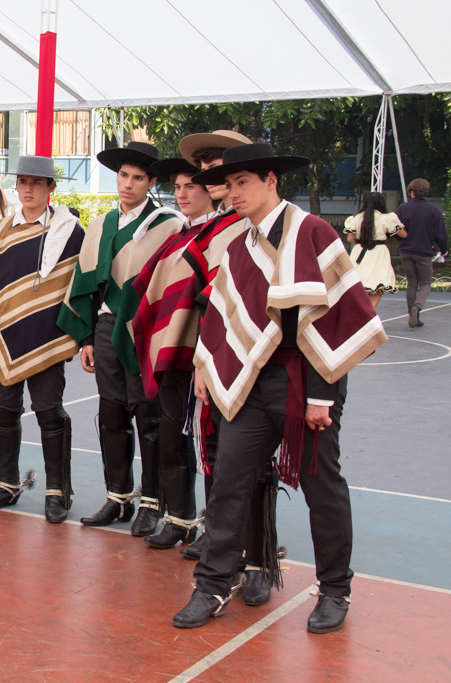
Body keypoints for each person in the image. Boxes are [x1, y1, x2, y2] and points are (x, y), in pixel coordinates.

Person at [173, 143, 388, 635]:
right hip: (252, 380)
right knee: (229, 482)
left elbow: (337, 318)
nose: (234, 193)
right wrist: (206, 363)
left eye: (243, 182)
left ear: (271, 181)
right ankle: (212, 585)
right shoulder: (241, 244)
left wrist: (321, 396)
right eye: (230, 185)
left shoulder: (313, 232)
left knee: (322, 487)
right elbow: (221, 313)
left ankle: (335, 589)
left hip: (306, 379)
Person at [173, 132, 282, 608]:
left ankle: (258, 561)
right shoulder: (216, 227)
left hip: (266, 362)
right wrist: (203, 359)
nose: (211, 176)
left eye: (221, 167)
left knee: (255, 468)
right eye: (208, 169)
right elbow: (210, 304)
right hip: (218, 355)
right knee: (221, 459)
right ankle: (225, 550)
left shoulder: (261, 224)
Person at [57, 141, 184, 535]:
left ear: (152, 182)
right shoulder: (100, 224)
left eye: (138, 178)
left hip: (144, 331)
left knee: (149, 417)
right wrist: (87, 339)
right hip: (106, 328)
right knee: (112, 416)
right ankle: (118, 497)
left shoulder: (168, 225)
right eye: (123, 175)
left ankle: (152, 501)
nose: (128, 184)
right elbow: (87, 283)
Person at [0, 156, 85, 523]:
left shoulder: (70, 231)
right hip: (3, 337)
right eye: (23, 182)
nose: (29, 189)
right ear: (16, 186)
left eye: (37, 182)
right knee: (4, 409)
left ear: (51, 188)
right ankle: (5, 484)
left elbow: (76, 286)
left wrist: (66, 332)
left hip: (47, 338)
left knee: (49, 411)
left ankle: (57, 492)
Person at [130, 157, 217, 551]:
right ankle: (179, 518)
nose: (181, 194)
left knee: (211, 442)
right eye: (177, 187)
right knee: (171, 432)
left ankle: (216, 530)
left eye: (190, 186)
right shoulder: (178, 236)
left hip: (205, 353)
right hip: (172, 350)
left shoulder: (220, 233)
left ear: (208, 189)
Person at [396, 178, 448, 328]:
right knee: (425, 283)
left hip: (406, 250)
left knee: (411, 283)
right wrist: (444, 249)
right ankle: (417, 306)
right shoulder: (433, 210)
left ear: (412, 192)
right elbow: (440, 234)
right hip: (424, 251)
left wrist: (401, 241)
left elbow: (395, 228)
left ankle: (412, 315)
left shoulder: (403, 208)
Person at [345, 192, 406, 309]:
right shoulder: (385, 218)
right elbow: (403, 234)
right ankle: (369, 313)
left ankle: (361, 312)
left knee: (361, 283)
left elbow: (350, 238)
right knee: (378, 283)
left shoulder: (357, 218)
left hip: (360, 251)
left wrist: (363, 241)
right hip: (378, 252)